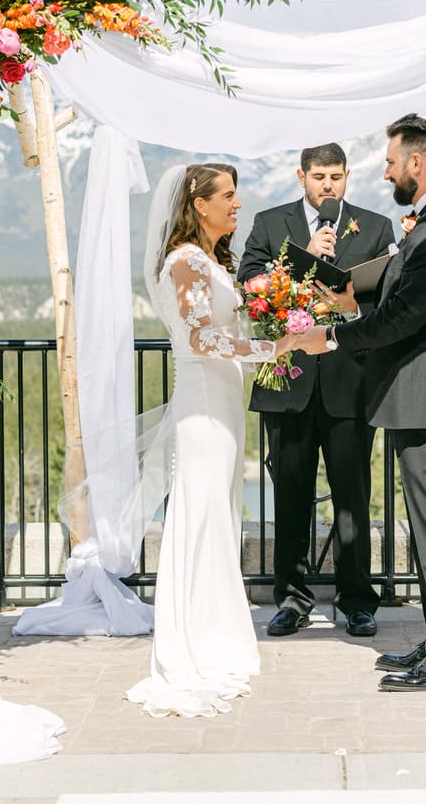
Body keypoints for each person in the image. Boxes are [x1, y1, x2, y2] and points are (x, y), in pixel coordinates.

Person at [299, 114, 426, 692]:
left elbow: (407, 317)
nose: (384, 172)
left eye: (389, 162)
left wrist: (332, 335)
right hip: (420, 399)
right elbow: (400, 300)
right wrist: (357, 296)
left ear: (416, 163)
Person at [125, 163, 305, 718]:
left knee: (219, 514)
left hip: (223, 401)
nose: (237, 204)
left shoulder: (209, 260)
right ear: (198, 204)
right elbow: (202, 340)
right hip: (203, 405)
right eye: (228, 196)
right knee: (199, 516)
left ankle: (216, 633)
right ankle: (192, 643)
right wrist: (271, 351)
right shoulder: (186, 261)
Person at [236, 143, 395, 639]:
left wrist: (352, 304)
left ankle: (357, 601)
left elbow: (387, 301)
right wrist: (306, 259)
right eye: (319, 176)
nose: (328, 185)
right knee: (290, 495)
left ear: (348, 176)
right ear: (301, 176)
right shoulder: (270, 223)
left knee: (352, 495)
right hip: (290, 382)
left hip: (350, 381)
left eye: (336, 177)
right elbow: (248, 286)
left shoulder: (375, 228)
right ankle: (291, 599)